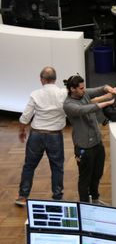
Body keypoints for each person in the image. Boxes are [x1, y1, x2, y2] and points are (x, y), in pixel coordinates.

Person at [15, 67, 68, 206]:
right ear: (55, 79)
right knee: (57, 167)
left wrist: (22, 131)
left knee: (29, 166)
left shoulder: (35, 94)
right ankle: (57, 197)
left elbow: (25, 116)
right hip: (55, 136)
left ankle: (23, 196)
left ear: (41, 79)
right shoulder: (64, 93)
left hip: (36, 135)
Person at [62, 75, 116, 203]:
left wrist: (110, 89)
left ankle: (95, 198)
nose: (84, 89)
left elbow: (101, 88)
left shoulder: (84, 94)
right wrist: (107, 102)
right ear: (72, 89)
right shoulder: (68, 105)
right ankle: (85, 204)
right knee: (85, 178)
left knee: (97, 174)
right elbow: (85, 109)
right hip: (84, 147)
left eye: (84, 87)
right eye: (81, 88)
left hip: (97, 142)